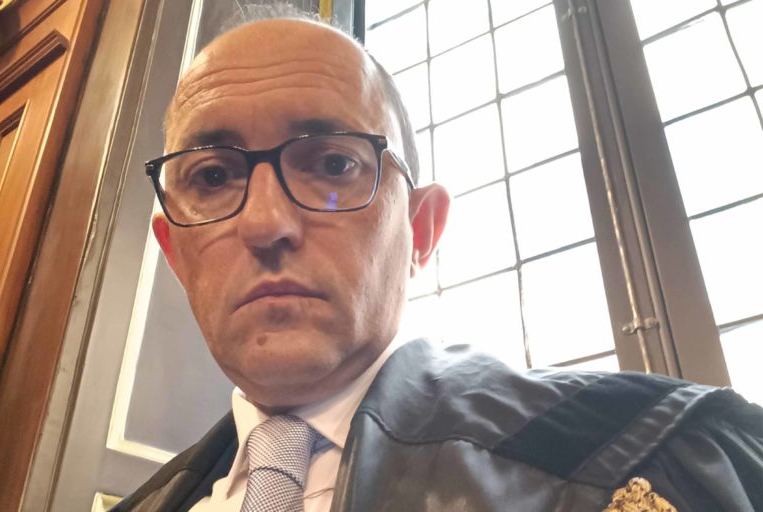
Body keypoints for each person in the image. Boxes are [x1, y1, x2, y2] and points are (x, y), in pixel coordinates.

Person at [113, 7, 763, 512]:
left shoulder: (653, 460)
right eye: (213, 176)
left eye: (333, 164)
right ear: (176, 255)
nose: (265, 223)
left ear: (420, 231)